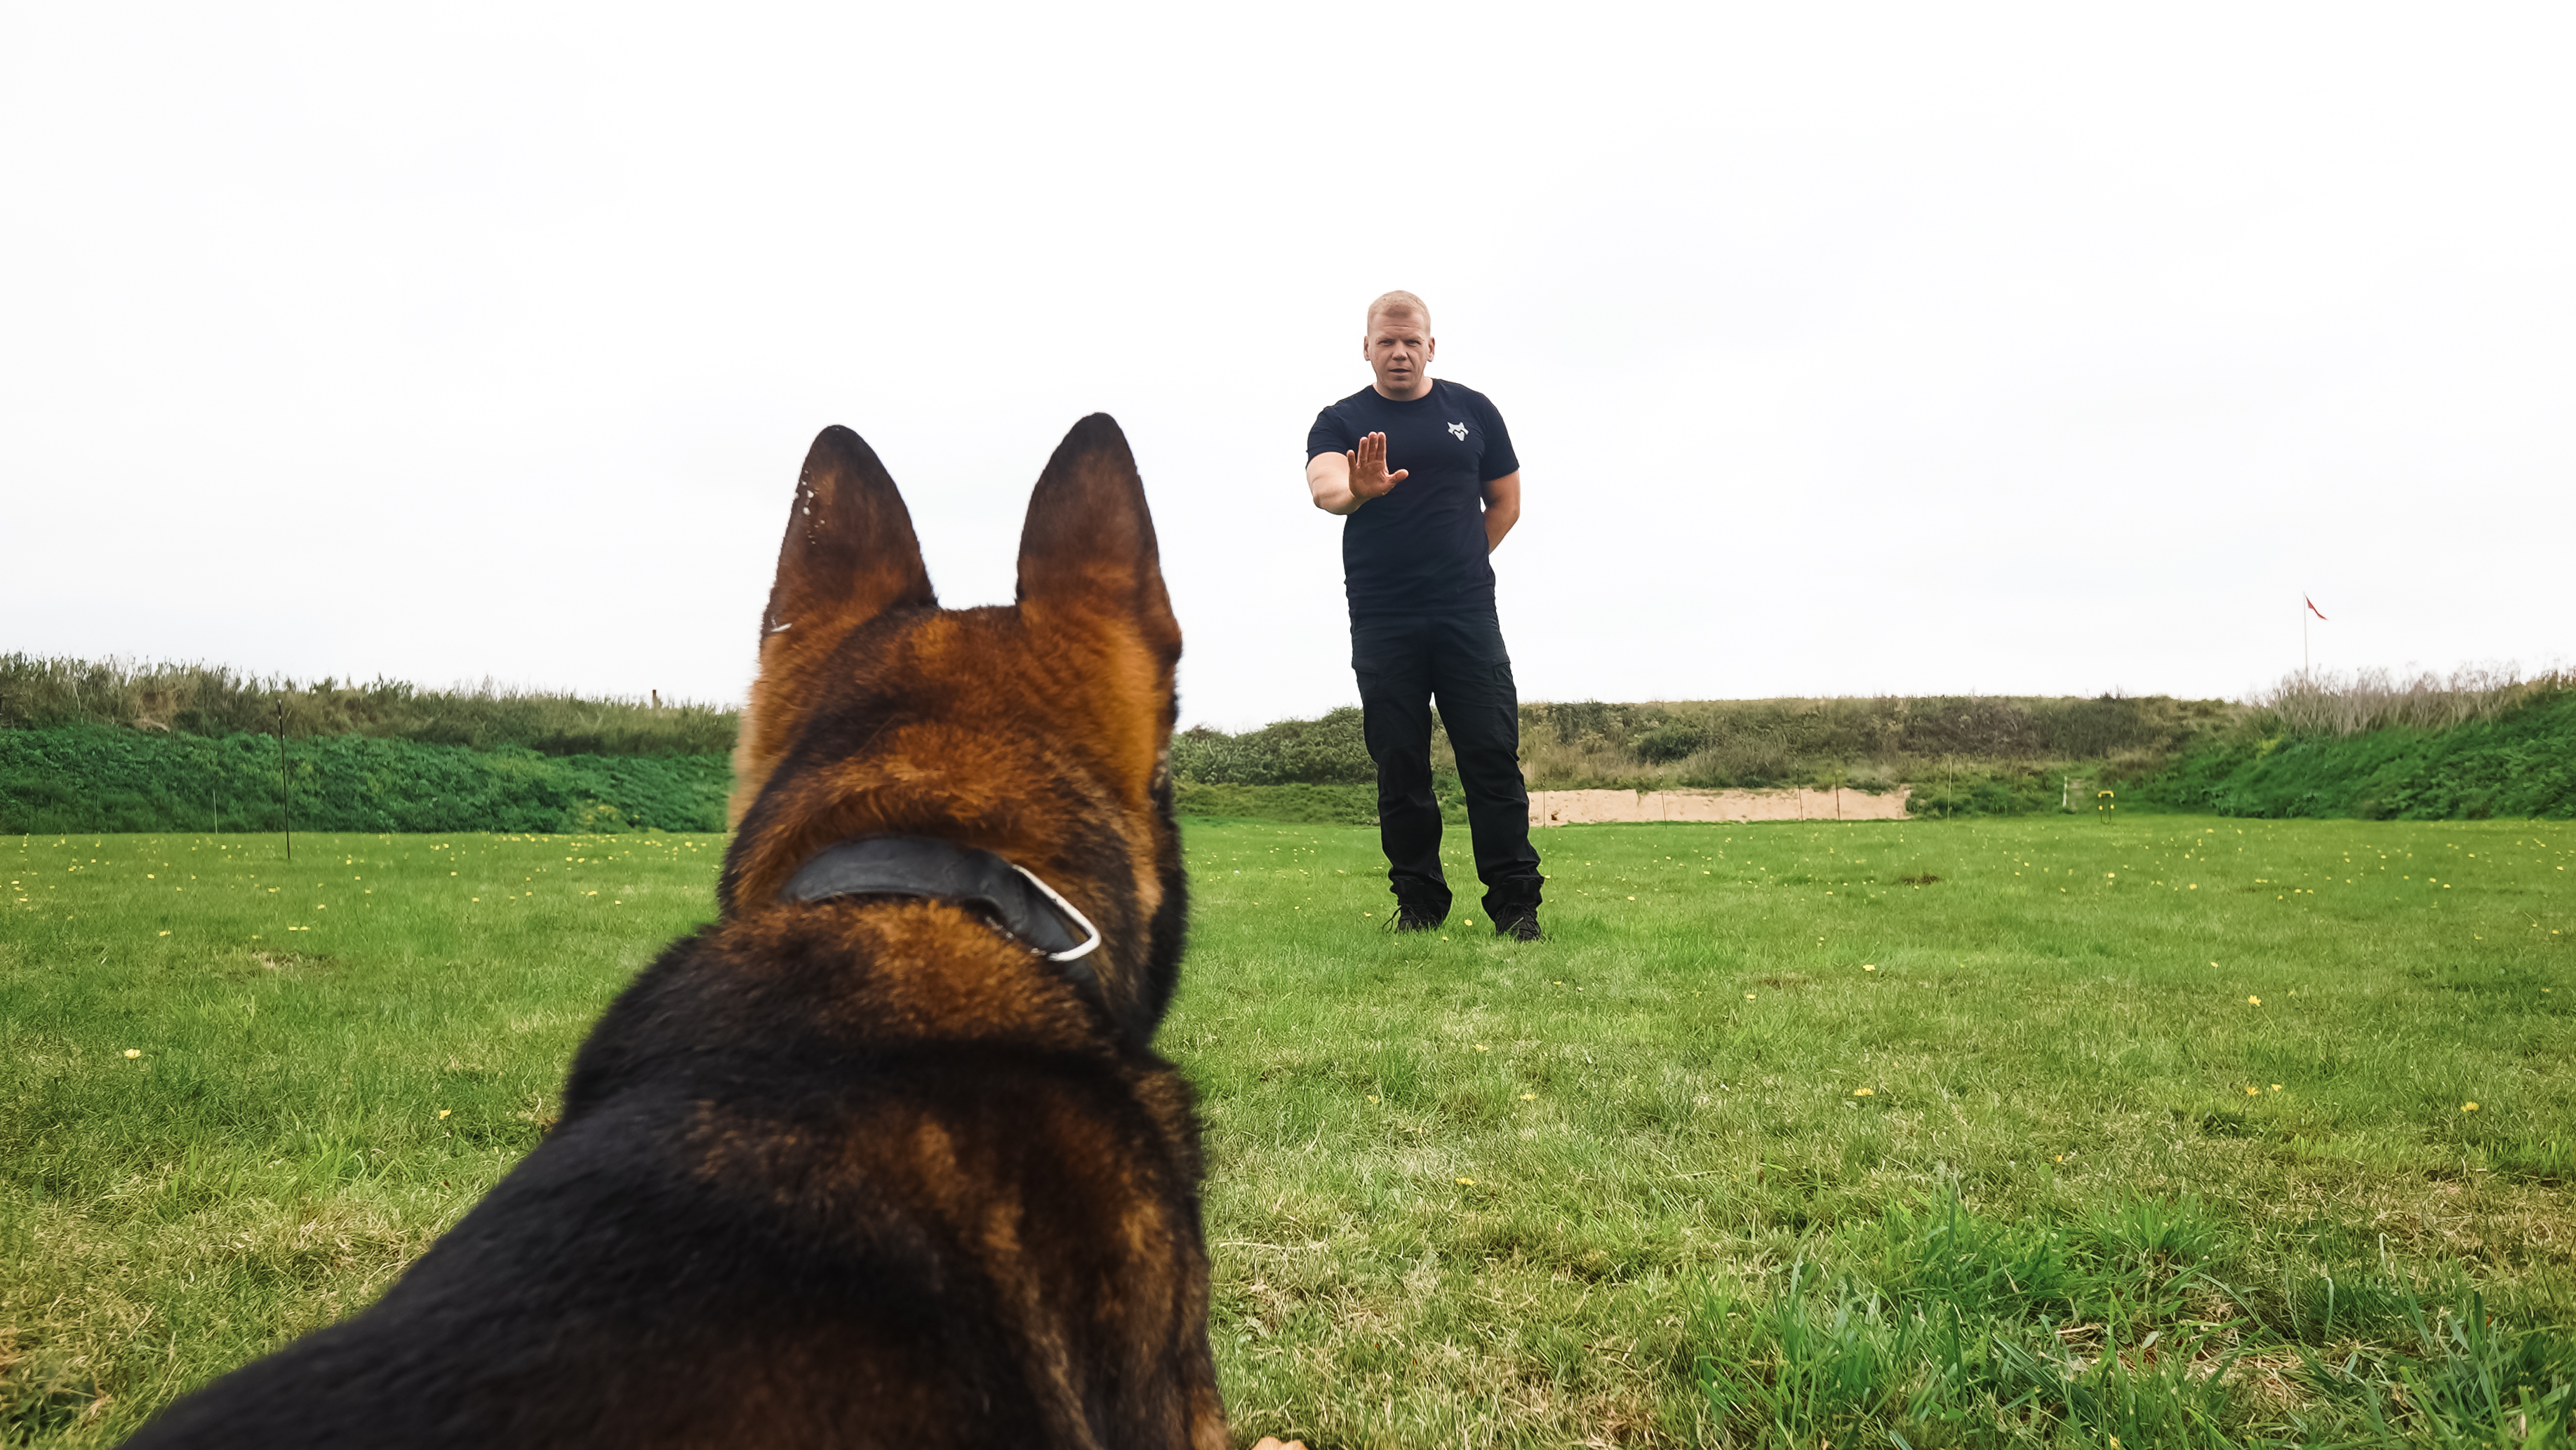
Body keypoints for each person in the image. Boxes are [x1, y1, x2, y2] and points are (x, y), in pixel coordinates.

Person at [1305, 291, 1544, 940]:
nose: (1400, 352)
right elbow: (1325, 488)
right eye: (1386, 341)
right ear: (1366, 347)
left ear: (1430, 346)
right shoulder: (1340, 420)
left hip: (1467, 613)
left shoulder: (1472, 410)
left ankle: (1516, 907)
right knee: (1400, 763)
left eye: (1412, 341)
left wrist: (1460, 563)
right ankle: (1418, 904)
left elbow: (1505, 500)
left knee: (1491, 756)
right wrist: (1358, 488)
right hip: (1383, 618)